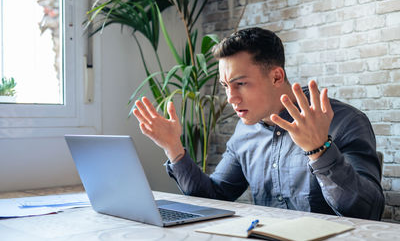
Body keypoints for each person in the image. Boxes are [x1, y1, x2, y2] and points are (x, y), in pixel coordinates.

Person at [133, 27, 384, 220]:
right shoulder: (246, 128)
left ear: (276, 76)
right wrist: (174, 149)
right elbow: (216, 197)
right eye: (225, 86)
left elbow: (368, 213)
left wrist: (320, 150)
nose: (230, 98)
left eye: (240, 83)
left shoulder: (345, 121)